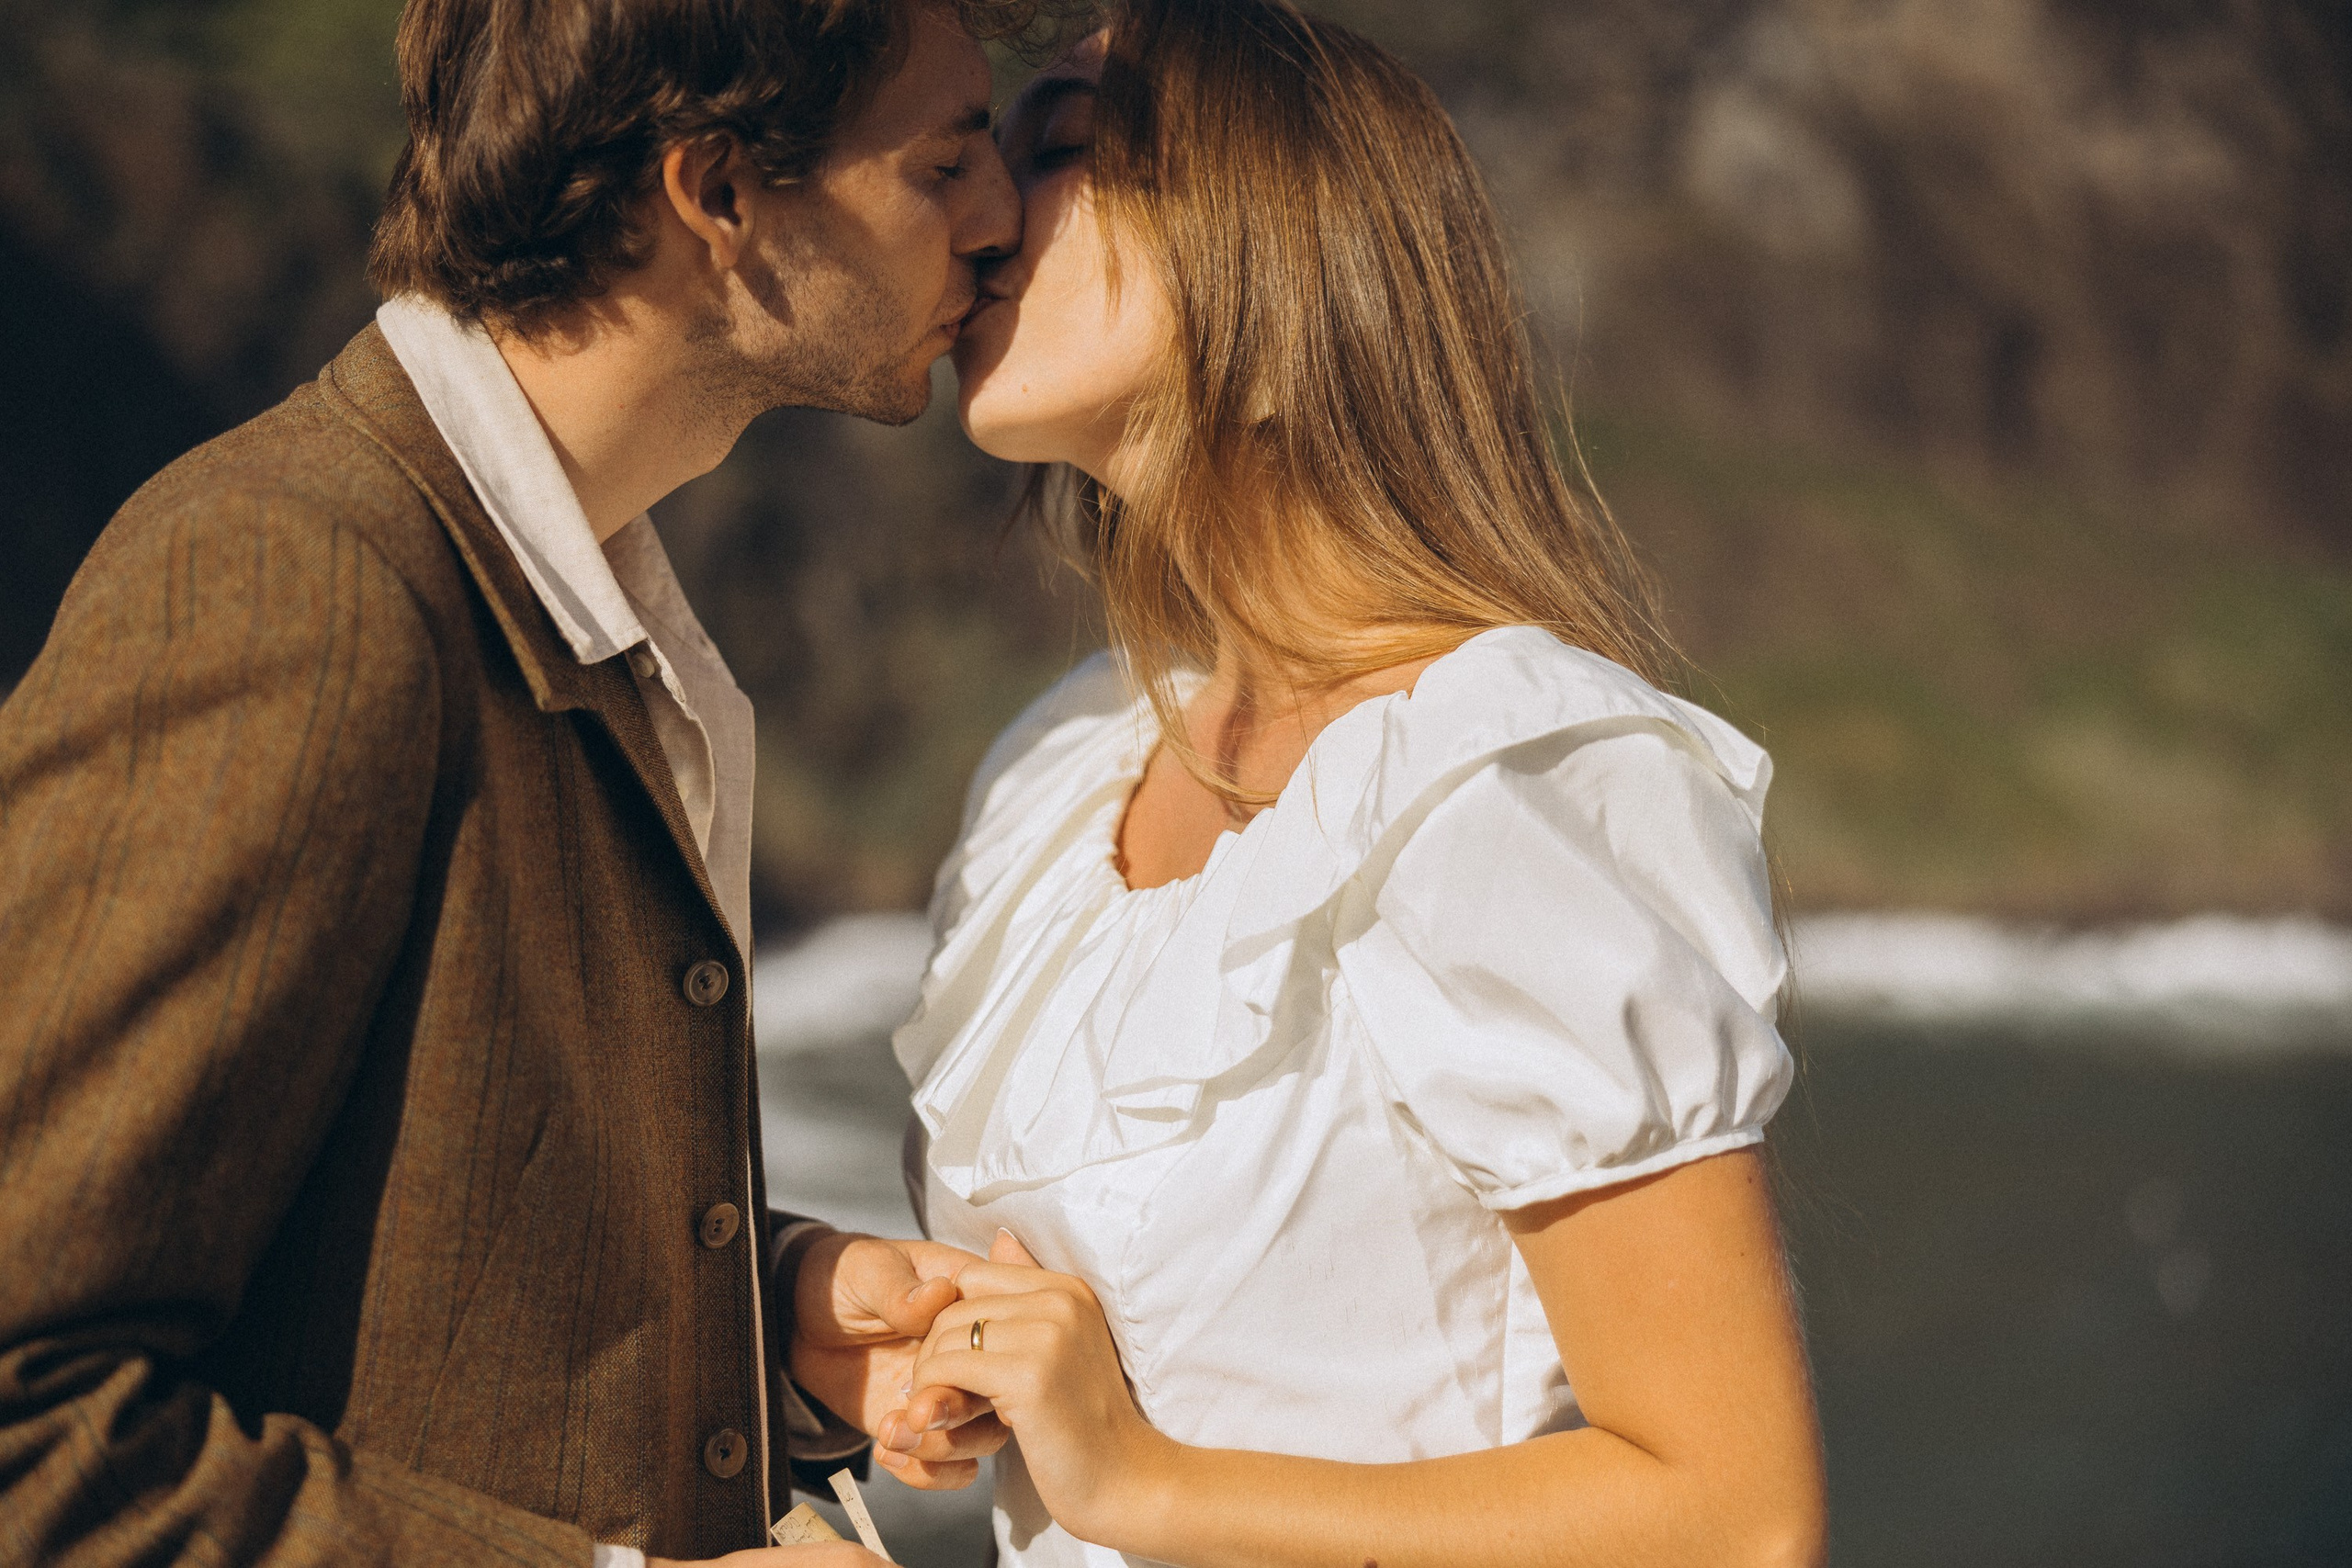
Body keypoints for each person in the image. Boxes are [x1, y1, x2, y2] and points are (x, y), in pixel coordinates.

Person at [0, 1, 1051, 1563]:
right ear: (718, 195)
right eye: (947, 161)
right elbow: (32, 1418)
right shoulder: (295, 581)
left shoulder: (563, 602)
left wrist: (767, 1325)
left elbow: (392, 1269)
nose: (998, 218)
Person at [874, 3, 1829, 1564]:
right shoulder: (1060, 765)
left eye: (1054, 152)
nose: (978, 220)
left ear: (1270, 242)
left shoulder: (1511, 778)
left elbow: (1736, 1517)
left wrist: (1144, 1484)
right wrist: (964, 1376)